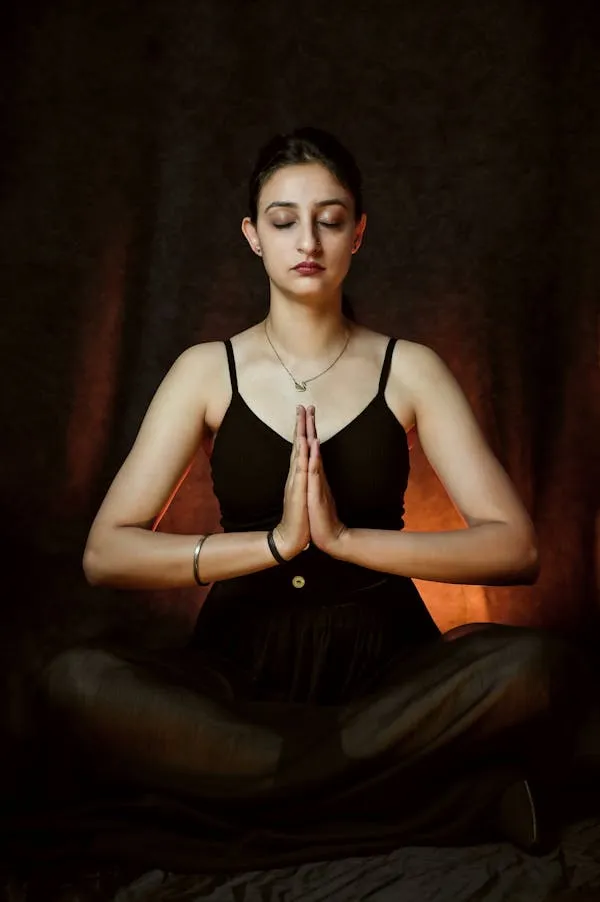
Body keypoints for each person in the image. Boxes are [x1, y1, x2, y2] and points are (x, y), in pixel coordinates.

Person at [39, 127, 590, 871]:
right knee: (77, 680)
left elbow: (516, 549)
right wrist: (273, 545)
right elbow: (107, 553)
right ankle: (447, 801)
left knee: (536, 669)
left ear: (358, 234)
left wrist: (344, 541)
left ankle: (258, 790)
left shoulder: (410, 368)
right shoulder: (206, 370)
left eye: (330, 219)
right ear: (252, 237)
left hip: (388, 672)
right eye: (283, 219)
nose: (309, 239)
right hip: (238, 671)